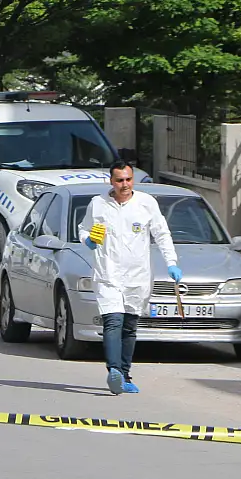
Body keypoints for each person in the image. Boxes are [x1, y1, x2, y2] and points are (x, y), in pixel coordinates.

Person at [78, 161, 181, 396]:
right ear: (111, 182)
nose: (124, 185)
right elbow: (83, 228)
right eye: (119, 180)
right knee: (112, 321)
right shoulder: (99, 204)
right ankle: (113, 370)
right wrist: (88, 240)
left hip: (137, 276)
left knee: (129, 326)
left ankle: (125, 374)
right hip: (108, 274)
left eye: (128, 179)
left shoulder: (146, 204)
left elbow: (162, 234)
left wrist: (172, 263)